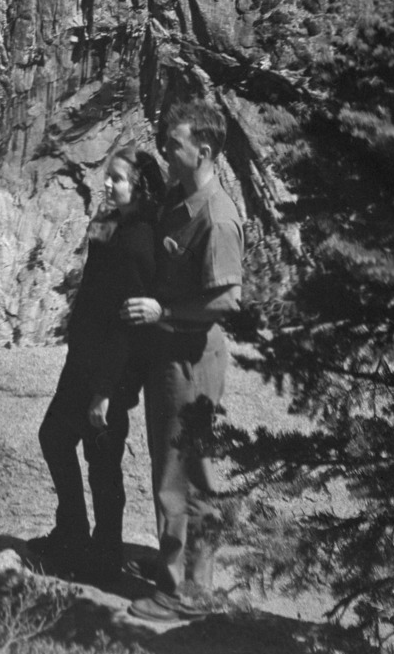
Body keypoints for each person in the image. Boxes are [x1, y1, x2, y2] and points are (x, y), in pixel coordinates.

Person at [122, 97, 245, 622]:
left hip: (192, 355)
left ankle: (181, 592)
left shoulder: (216, 217)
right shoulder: (181, 197)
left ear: (205, 149)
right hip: (172, 349)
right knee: (182, 467)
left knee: (181, 473)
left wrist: (163, 310)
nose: (165, 152)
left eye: (173, 145)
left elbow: (226, 299)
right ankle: (191, 581)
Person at [32, 146, 163, 582]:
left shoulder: (140, 238)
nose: (107, 184)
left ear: (140, 188)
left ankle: (104, 555)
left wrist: (106, 391)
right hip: (85, 360)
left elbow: (129, 326)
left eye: (118, 179)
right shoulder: (114, 226)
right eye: (108, 176)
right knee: (56, 437)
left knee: (101, 458)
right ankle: (75, 534)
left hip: (110, 370)